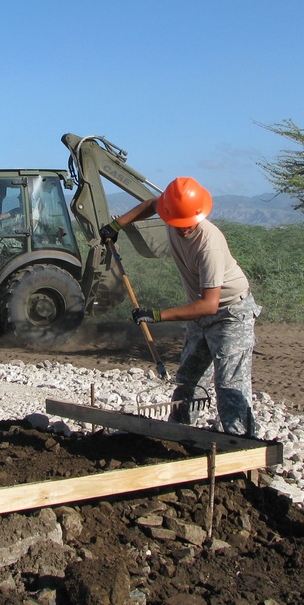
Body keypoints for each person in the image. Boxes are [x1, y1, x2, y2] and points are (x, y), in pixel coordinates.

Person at [100, 177, 262, 436]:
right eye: (178, 223)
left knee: (230, 384)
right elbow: (153, 203)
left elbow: (210, 305)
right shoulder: (171, 212)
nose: (183, 229)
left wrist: (156, 315)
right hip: (198, 310)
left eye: (188, 224)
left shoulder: (210, 245)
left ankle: (241, 442)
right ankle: (180, 434)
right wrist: (117, 225)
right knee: (189, 377)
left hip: (231, 313)